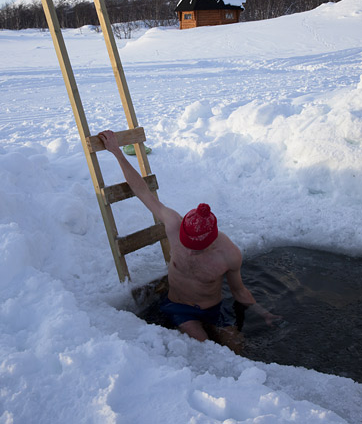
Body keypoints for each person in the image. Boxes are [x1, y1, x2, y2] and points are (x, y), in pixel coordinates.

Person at [98, 130, 280, 353]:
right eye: (188, 245)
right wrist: (117, 152)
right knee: (204, 350)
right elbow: (142, 191)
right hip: (179, 307)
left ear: (212, 241)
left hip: (213, 309)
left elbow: (239, 291)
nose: (191, 253)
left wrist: (264, 314)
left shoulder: (228, 254)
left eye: (198, 249)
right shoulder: (173, 223)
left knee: (238, 350)